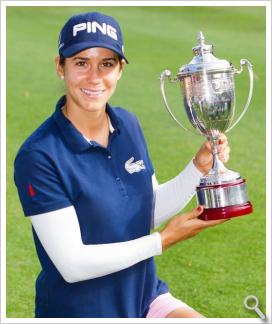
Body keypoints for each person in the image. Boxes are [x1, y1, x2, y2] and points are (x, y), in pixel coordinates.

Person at [14, 12, 230, 318]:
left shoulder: (127, 124)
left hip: (144, 297)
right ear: (60, 67)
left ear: (120, 70)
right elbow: (72, 264)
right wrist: (162, 241)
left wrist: (197, 169)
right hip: (82, 310)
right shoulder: (39, 155)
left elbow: (145, 210)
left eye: (107, 64)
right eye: (81, 62)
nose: (94, 77)